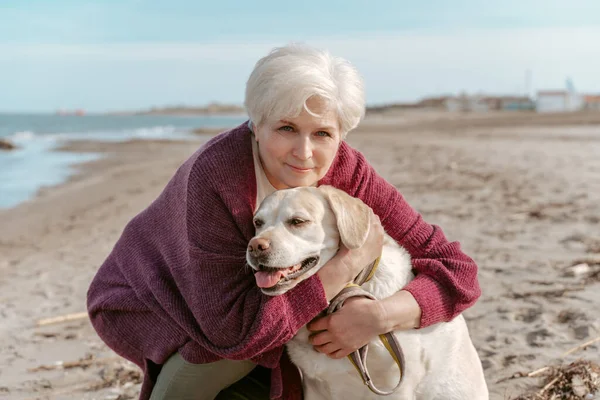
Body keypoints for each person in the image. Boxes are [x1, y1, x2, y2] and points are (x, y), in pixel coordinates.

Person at [87, 44, 481, 400]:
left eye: (323, 133)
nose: (305, 153)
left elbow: (457, 270)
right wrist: (344, 268)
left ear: (340, 136)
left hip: (253, 304)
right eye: (287, 128)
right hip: (152, 298)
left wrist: (377, 317)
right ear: (256, 126)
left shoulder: (349, 172)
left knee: (284, 350)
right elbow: (232, 334)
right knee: (224, 361)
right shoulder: (217, 177)